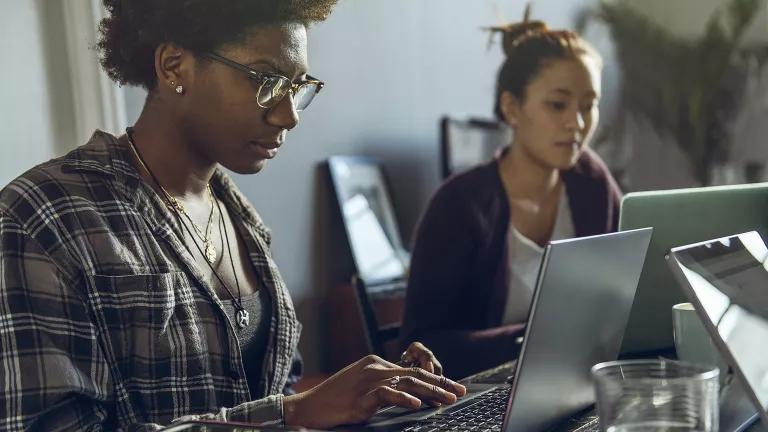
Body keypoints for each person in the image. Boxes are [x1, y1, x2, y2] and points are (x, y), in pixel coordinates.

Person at [0, 1, 466, 430]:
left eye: (297, 87)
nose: (289, 115)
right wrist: (292, 412)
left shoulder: (241, 219)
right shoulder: (46, 218)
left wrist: (364, 398)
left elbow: (274, 395)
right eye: (266, 80)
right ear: (174, 66)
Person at [399, 19, 622, 379]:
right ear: (512, 108)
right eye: (558, 105)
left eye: (588, 106)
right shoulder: (459, 205)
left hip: (574, 382)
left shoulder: (592, 184)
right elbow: (421, 346)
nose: (577, 124)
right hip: (474, 395)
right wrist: (532, 339)